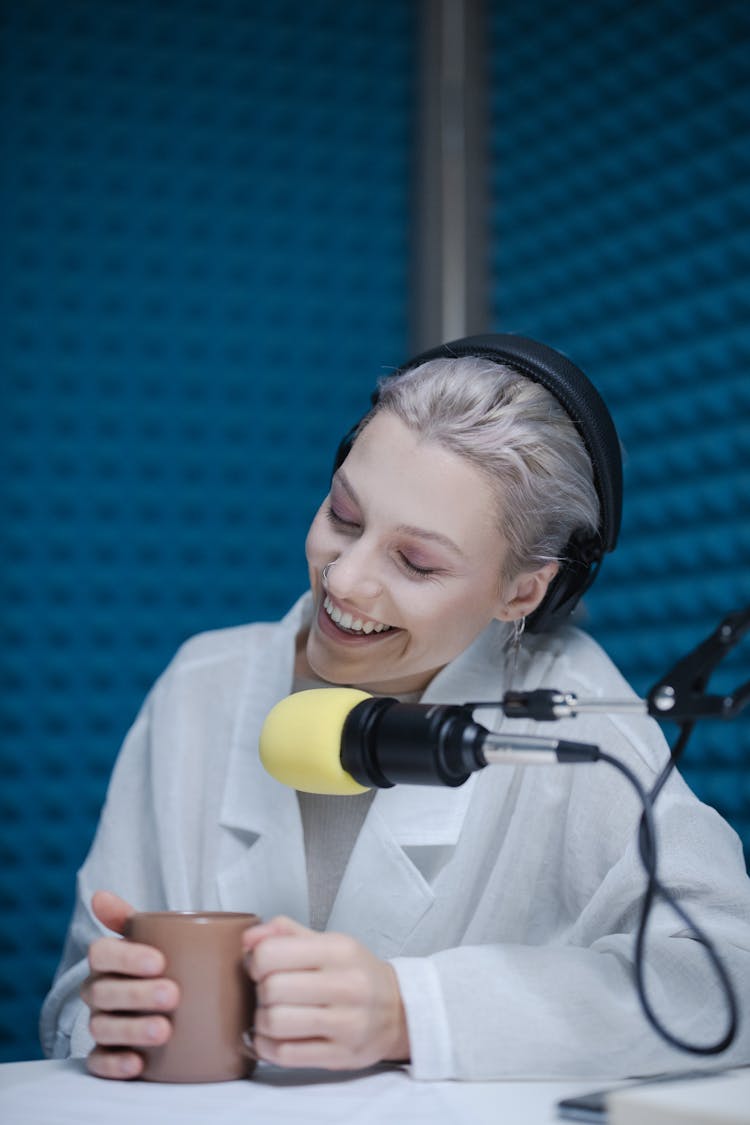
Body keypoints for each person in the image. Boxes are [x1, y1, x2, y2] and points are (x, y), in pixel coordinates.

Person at [40, 335, 750, 1082]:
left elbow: (728, 977)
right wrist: (110, 1014)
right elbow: (72, 1001)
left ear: (522, 591)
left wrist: (414, 1010)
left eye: (416, 562)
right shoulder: (202, 685)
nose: (345, 580)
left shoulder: (570, 722)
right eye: (344, 515)